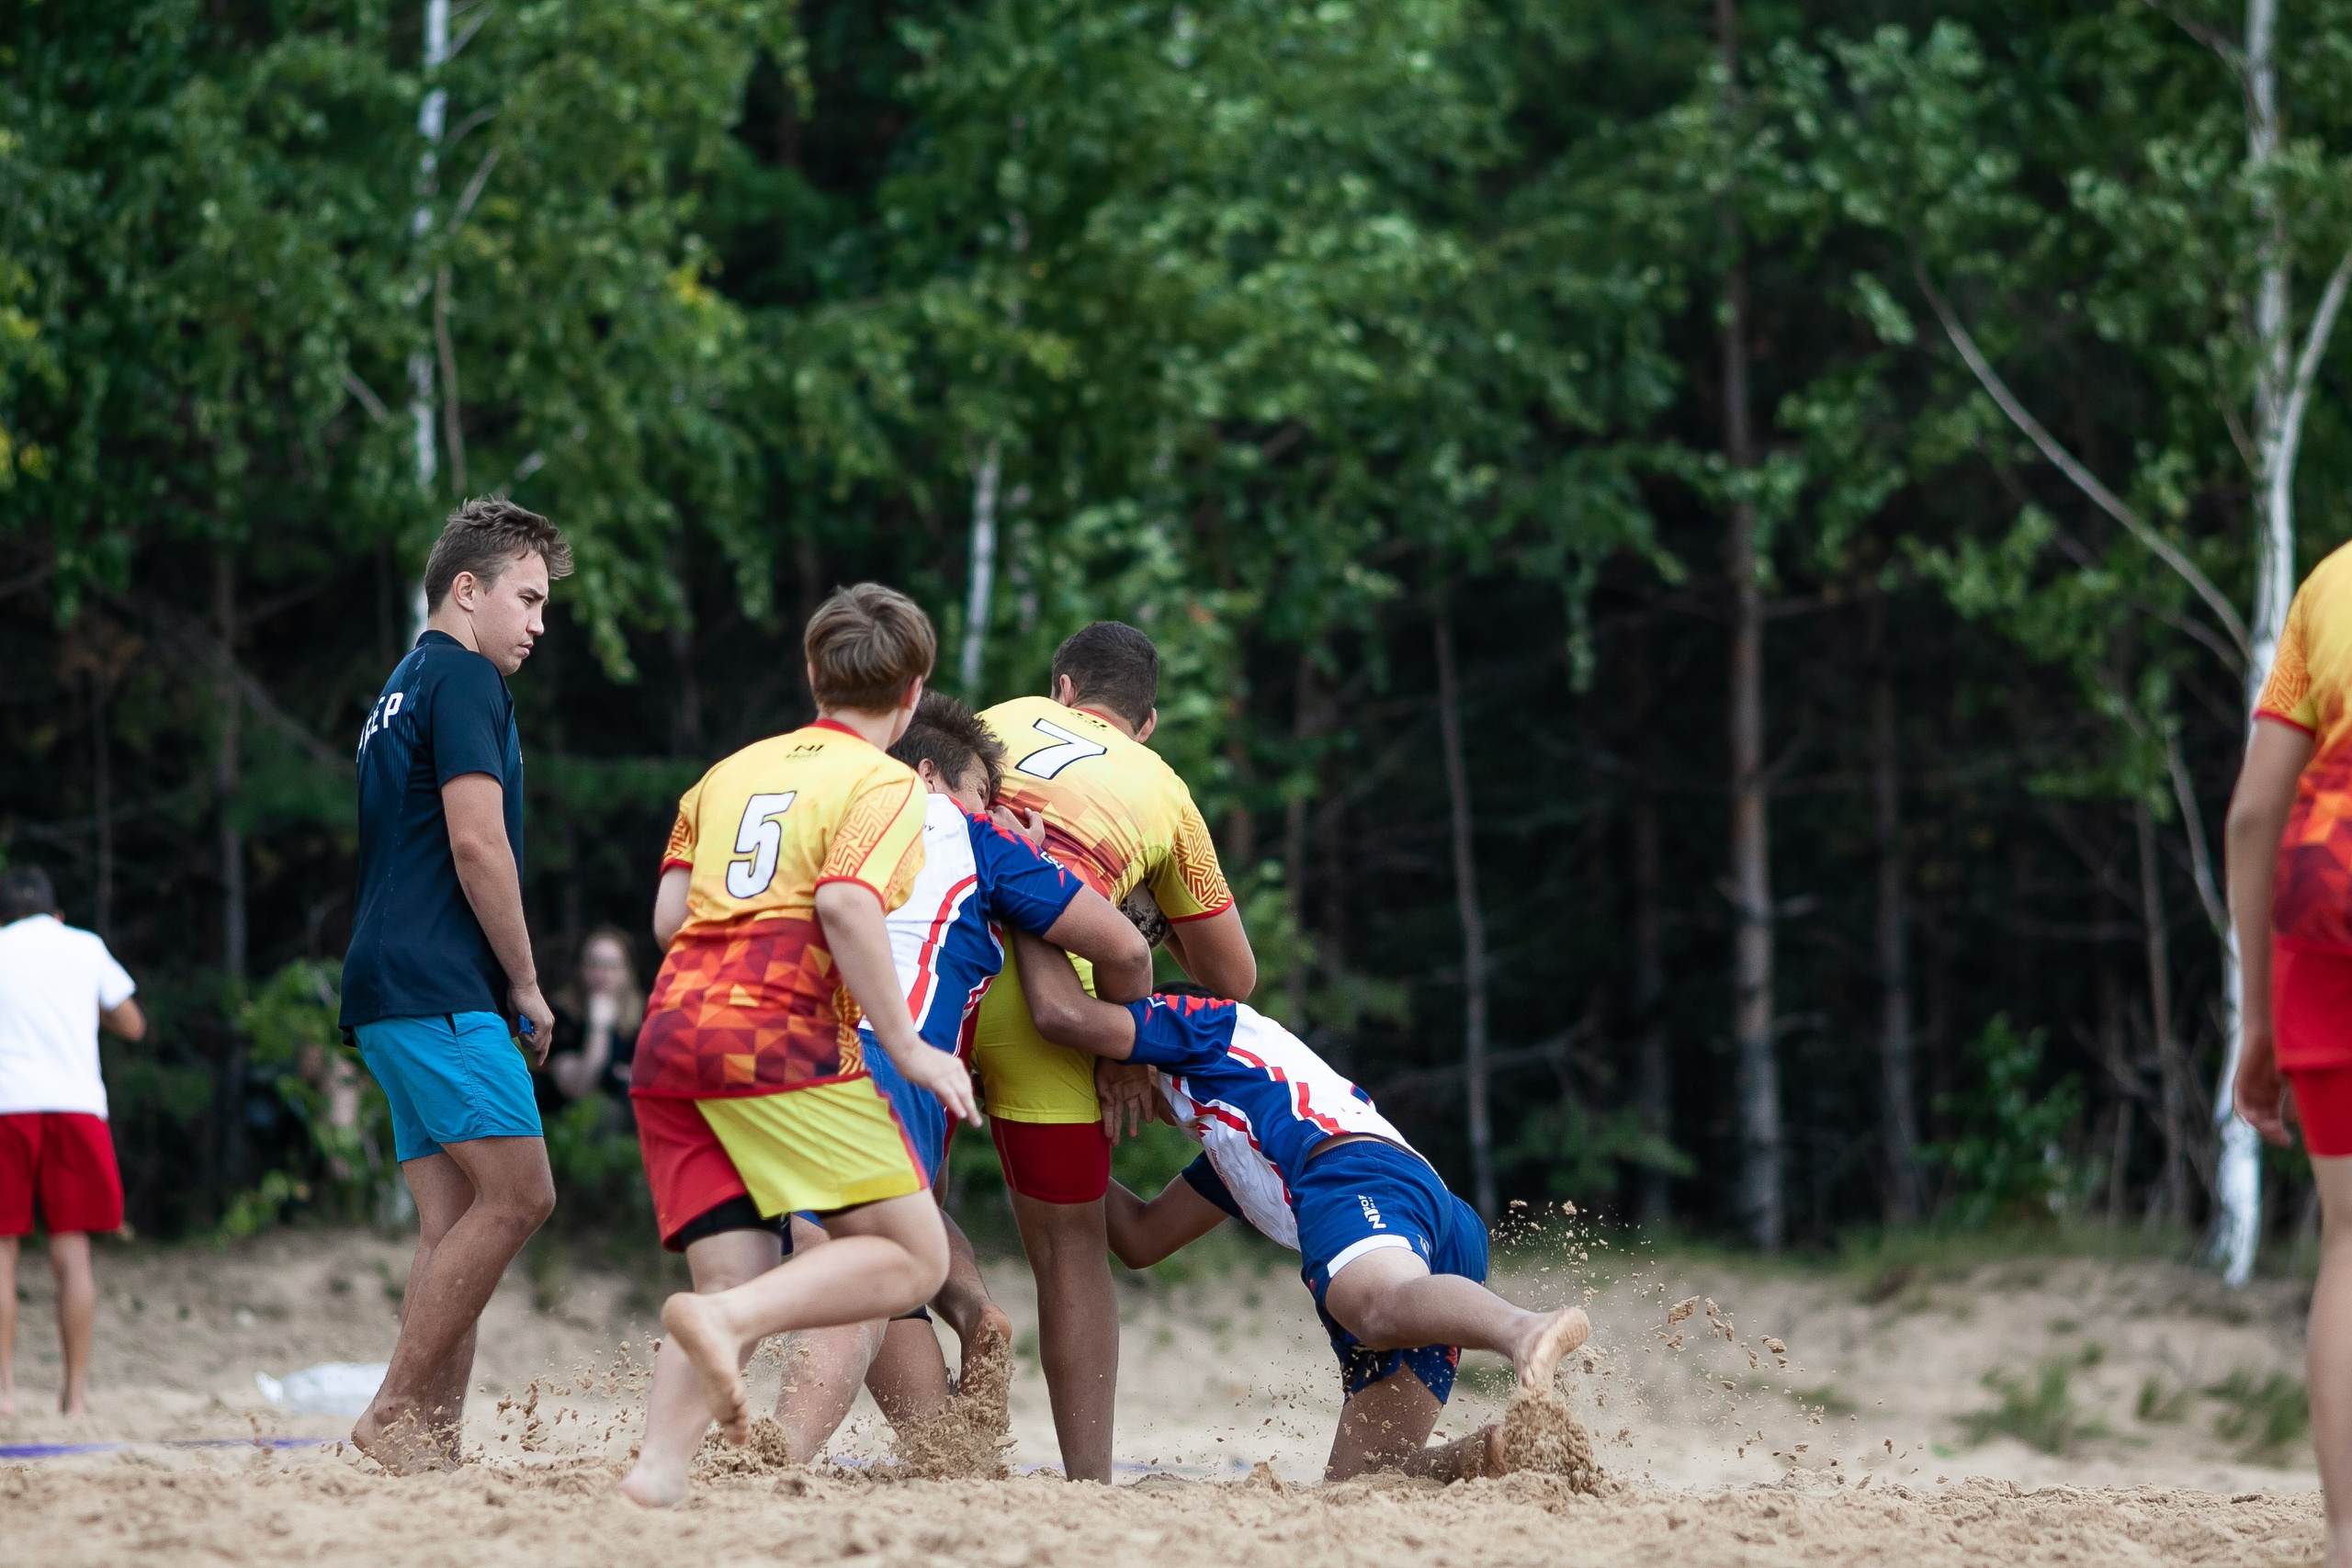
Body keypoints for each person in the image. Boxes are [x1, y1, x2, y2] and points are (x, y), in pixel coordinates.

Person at [617, 583, 982, 1508]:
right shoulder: (885, 783)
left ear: (812, 675)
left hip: (669, 1038)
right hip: (774, 1038)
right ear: (915, 693)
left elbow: (669, 917)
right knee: (914, 1257)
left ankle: (655, 1480)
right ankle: (726, 1318)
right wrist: (908, 1047)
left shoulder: (725, 774)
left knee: (729, 1267)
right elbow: (844, 903)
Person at [1008, 931, 1589, 1481]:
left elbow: (1066, 1015)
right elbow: (1140, 1236)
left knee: (1374, 1306)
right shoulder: (1236, 1151)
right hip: (1422, 1208)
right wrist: (1038, 1156)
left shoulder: (1206, 1023)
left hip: (1352, 1175)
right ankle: (1495, 1452)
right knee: (1360, 1485)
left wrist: (1024, 922)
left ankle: (1524, 1329)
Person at [768, 692, 1152, 1465]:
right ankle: (777, 1452)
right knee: (858, 1261)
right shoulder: (969, 832)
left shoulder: (810, 806)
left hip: (752, 1054)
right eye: (987, 792)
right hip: (874, 1061)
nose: (996, 807)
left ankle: (964, 1314)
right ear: (935, 776)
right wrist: (1127, 1051)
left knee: (944, 1451)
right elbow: (1128, 949)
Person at [969, 622, 1257, 1480]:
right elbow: (1232, 973)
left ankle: (961, 1315)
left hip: (930, 968)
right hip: (1054, 1009)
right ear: (1149, 722)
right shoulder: (1162, 788)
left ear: (1060, 687)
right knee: (1069, 1249)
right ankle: (1087, 1481)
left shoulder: (997, 716)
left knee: (892, 1194)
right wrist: (1149, 916)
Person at [338, 498, 572, 1472]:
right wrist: (526, 982)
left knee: (453, 1221)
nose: (538, 623)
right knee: (522, 1195)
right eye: (527, 598)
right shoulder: (467, 678)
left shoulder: (400, 684)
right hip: (440, 984)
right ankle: (396, 1410)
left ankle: (428, 1443)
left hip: (386, 984)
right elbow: (477, 844)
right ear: (464, 590)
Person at [2229, 539, 2352, 1568]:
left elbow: (2253, 813)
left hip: (2328, 925)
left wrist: (2257, 1017)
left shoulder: (2331, 584)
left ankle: (2349, 1532)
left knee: (2351, 1243)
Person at [0, 866, 144, 1419]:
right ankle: (75, 1399)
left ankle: (7, 1394)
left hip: (8, 1104)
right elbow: (132, 1024)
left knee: (4, 1256)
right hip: (76, 1106)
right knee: (73, 1253)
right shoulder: (85, 946)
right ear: (56, 913)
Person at [540, 926, 643, 1110]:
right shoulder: (561, 1015)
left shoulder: (642, 1017)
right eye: (594, 965)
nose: (602, 975)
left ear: (627, 972)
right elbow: (576, 1089)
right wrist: (598, 1028)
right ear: (581, 969)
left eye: (612, 966)